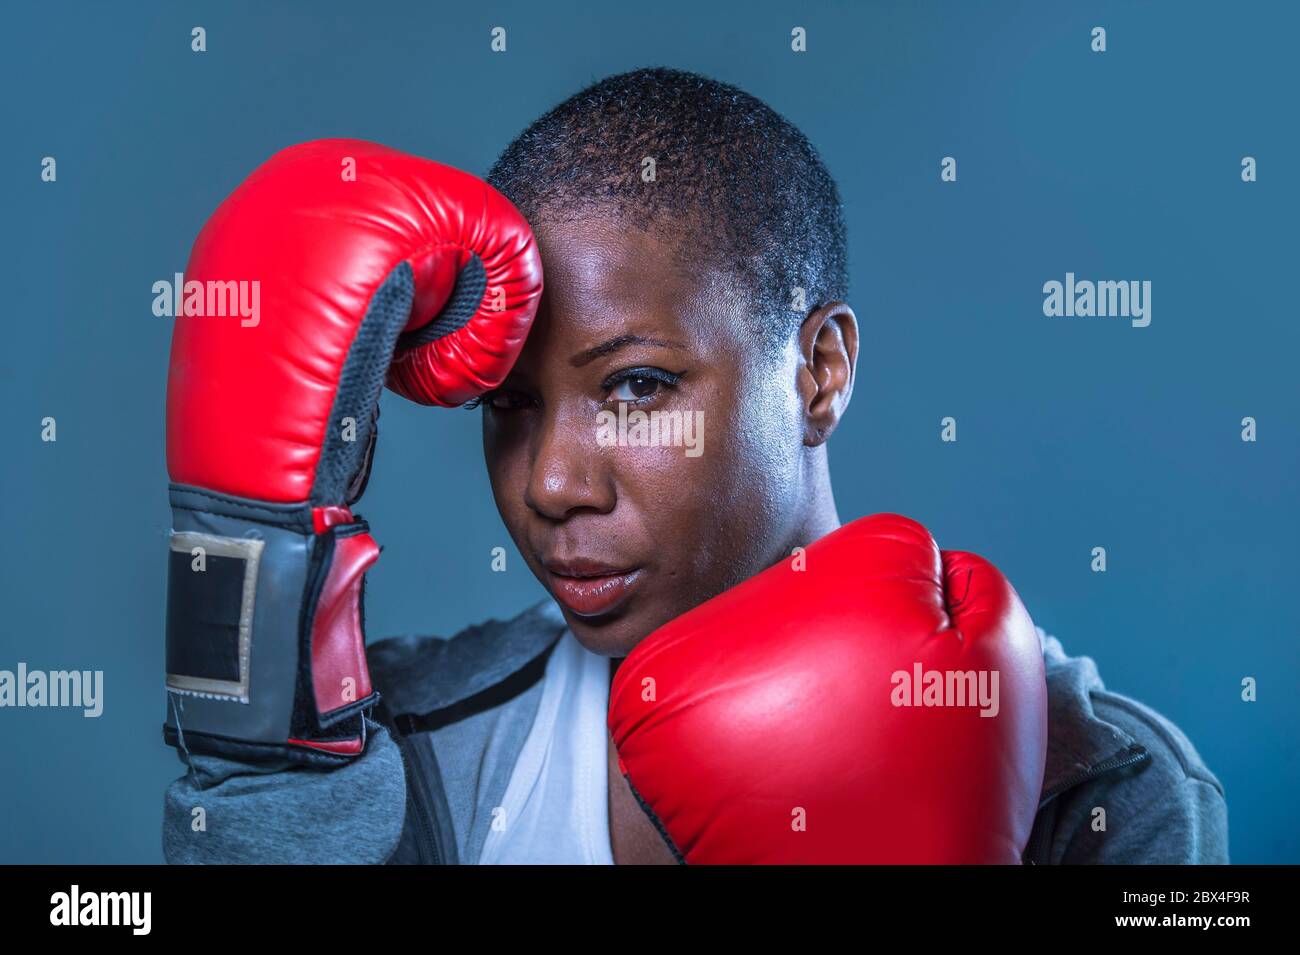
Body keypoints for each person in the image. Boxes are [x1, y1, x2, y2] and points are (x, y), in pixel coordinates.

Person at [162, 68, 1227, 865]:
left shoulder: (1098, 779)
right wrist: (259, 746)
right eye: (511, 407)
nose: (551, 484)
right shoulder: (403, 730)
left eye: (635, 389)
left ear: (818, 371)